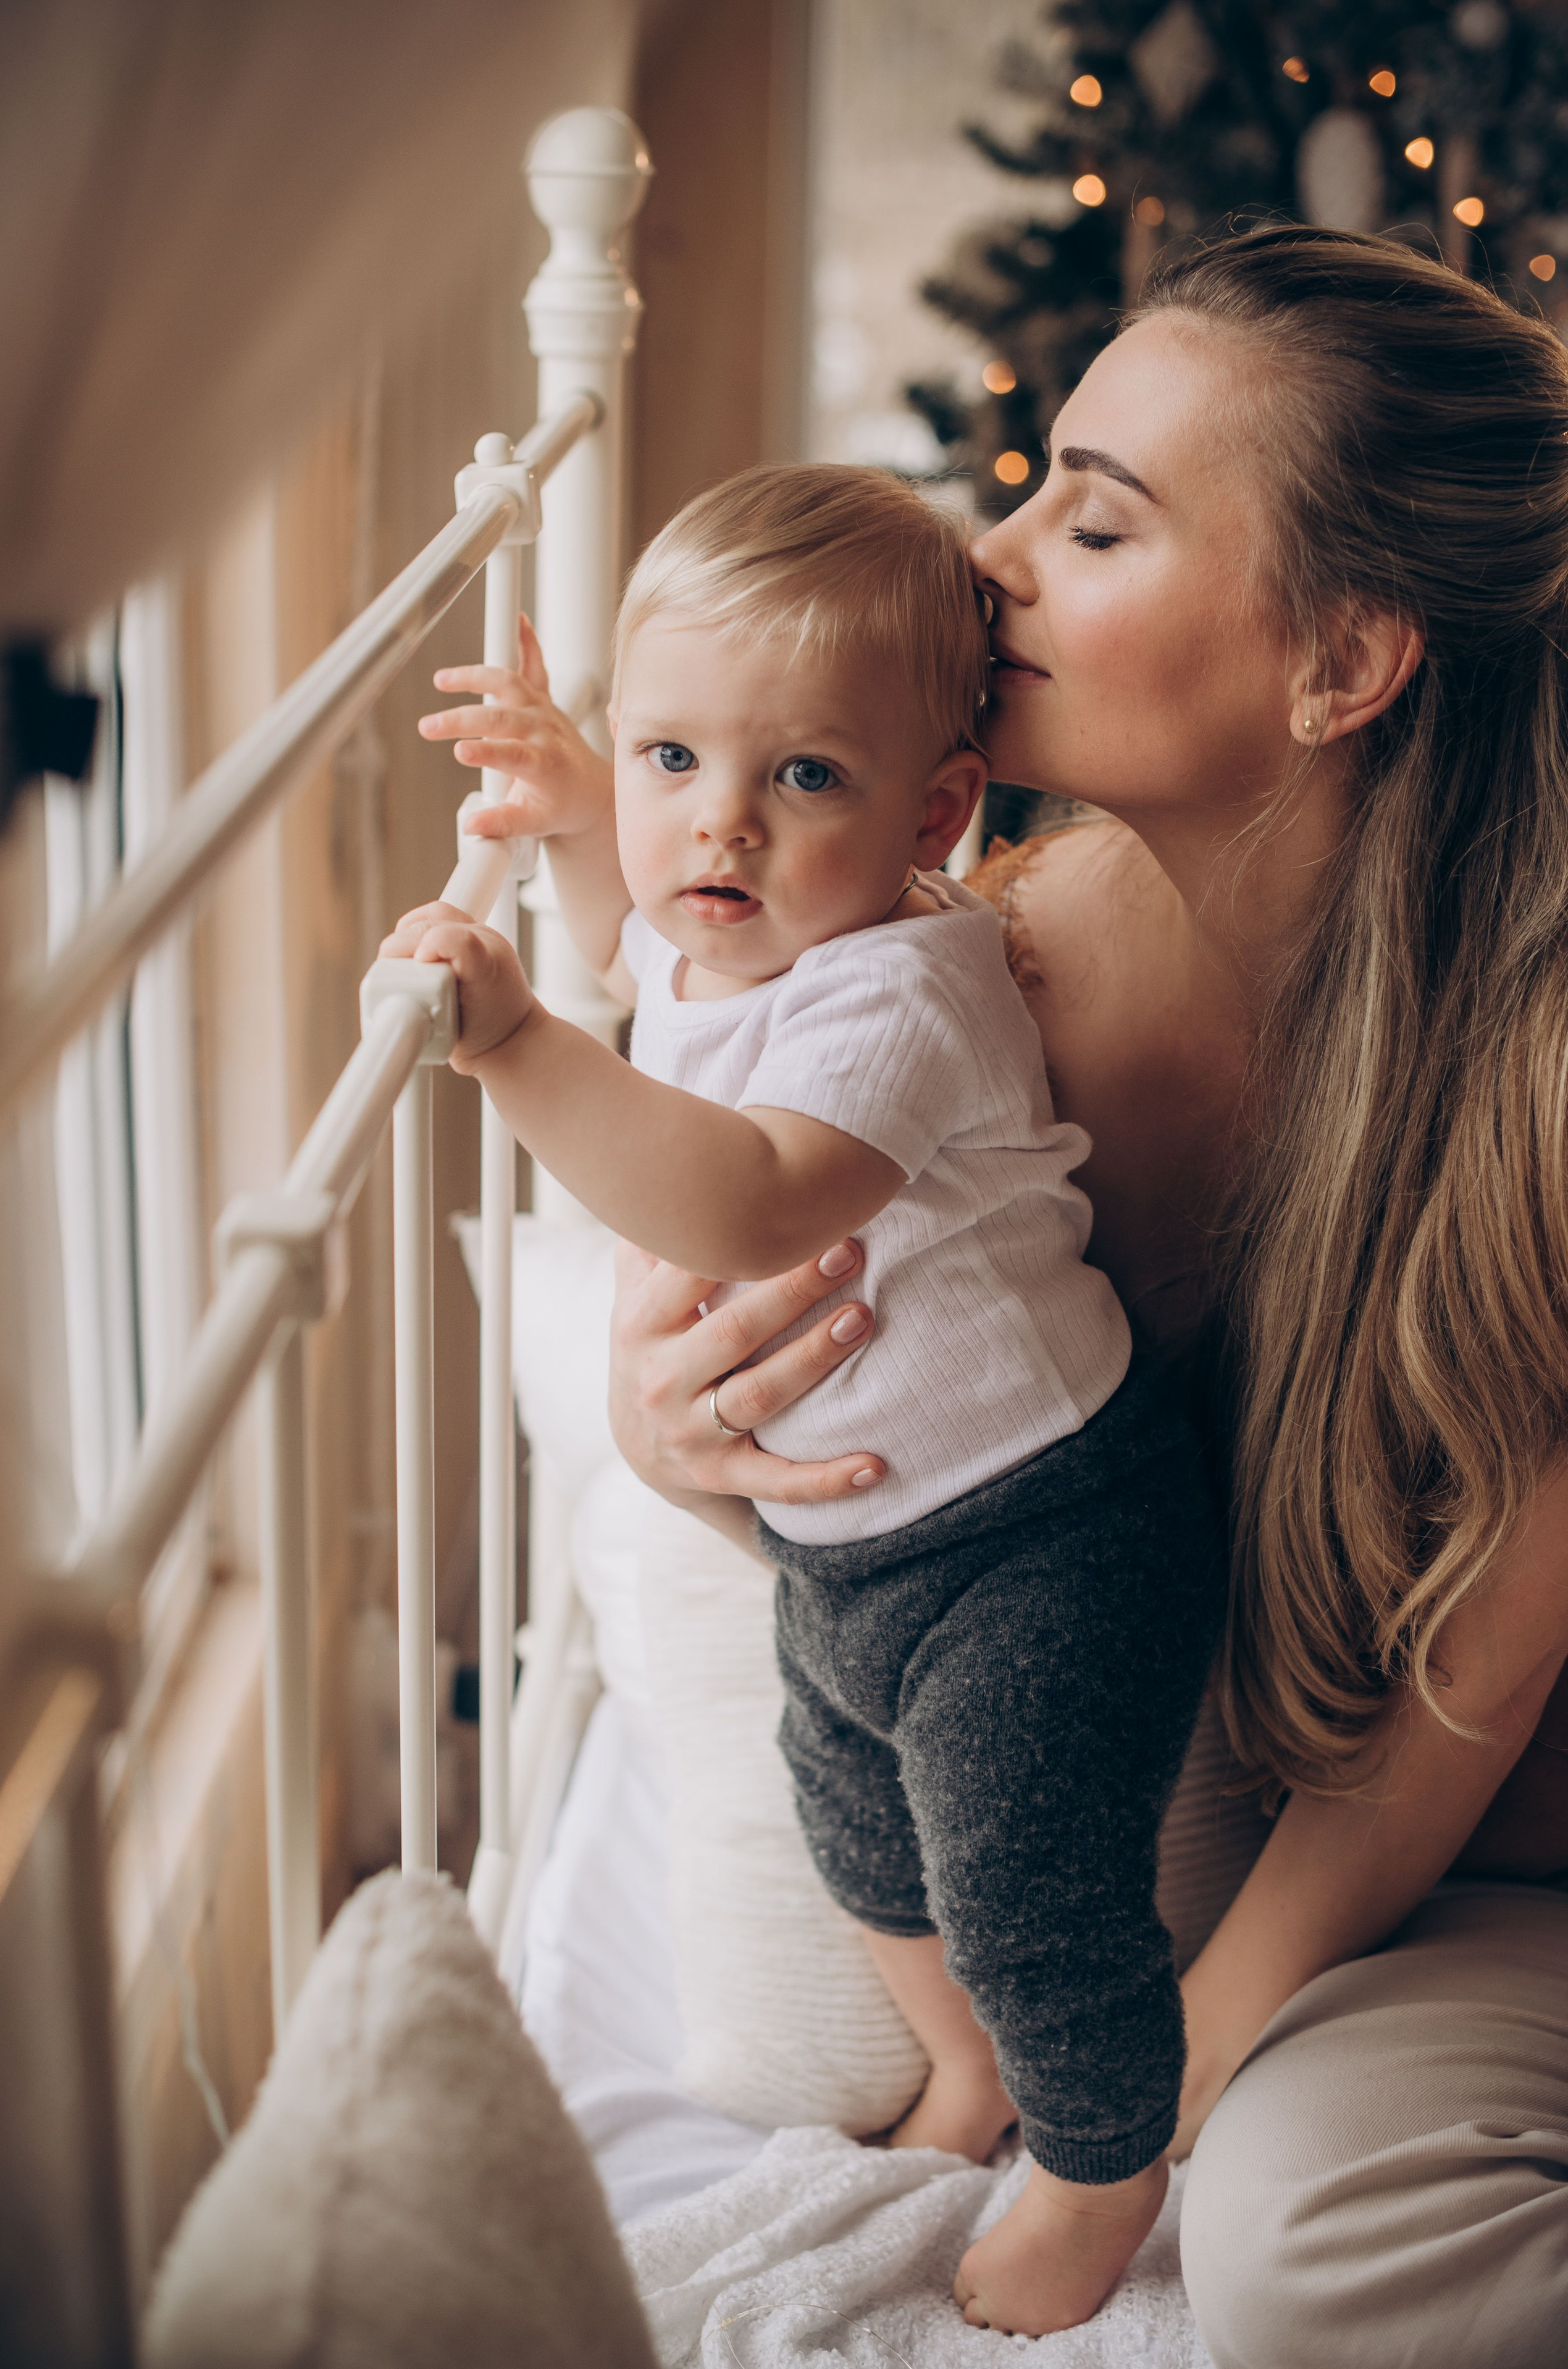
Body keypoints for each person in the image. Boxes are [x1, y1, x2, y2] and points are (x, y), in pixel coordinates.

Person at [589, 227, 1568, 2367]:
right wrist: (681, 1442)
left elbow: (1443, 1728)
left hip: (1495, 1849)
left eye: (1095, 517)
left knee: (1304, 2235)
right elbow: (925, 1456)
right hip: (1396, 1900)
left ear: (1344, 666)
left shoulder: (1538, 1088)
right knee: (1318, 2237)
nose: (995, 555)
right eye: (1033, 483)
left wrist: (1141, 2102)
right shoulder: (975, 980)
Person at [392, 463, 1228, 2336]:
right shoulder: (726, 929)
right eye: (670, 756)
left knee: (1031, 1884)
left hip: (1049, 1538)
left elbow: (752, 1192)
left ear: (935, 810)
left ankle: (1106, 2162)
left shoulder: (909, 991)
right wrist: (563, 816)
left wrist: (519, 1042)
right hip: (850, 1567)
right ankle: (972, 2073)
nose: (725, 832)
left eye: (806, 780)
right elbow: (656, 934)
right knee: (868, 1846)